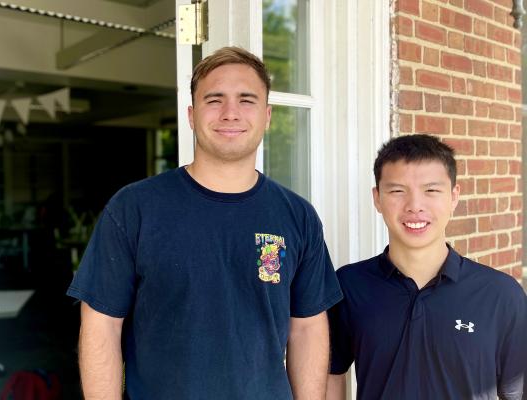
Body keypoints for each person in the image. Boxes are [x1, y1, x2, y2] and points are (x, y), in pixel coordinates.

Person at [67, 47, 342, 399]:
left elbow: (306, 329)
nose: (230, 113)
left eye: (246, 100)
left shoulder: (297, 216)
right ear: (192, 115)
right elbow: (101, 326)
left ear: (267, 115)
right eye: (215, 100)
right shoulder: (134, 207)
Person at [326, 134, 527, 400]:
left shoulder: (501, 294)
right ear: (377, 198)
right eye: (397, 191)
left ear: (454, 196)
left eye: (431, 190)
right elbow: (330, 372)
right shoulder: (350, 285)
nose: (415, 206)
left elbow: (516, 391)